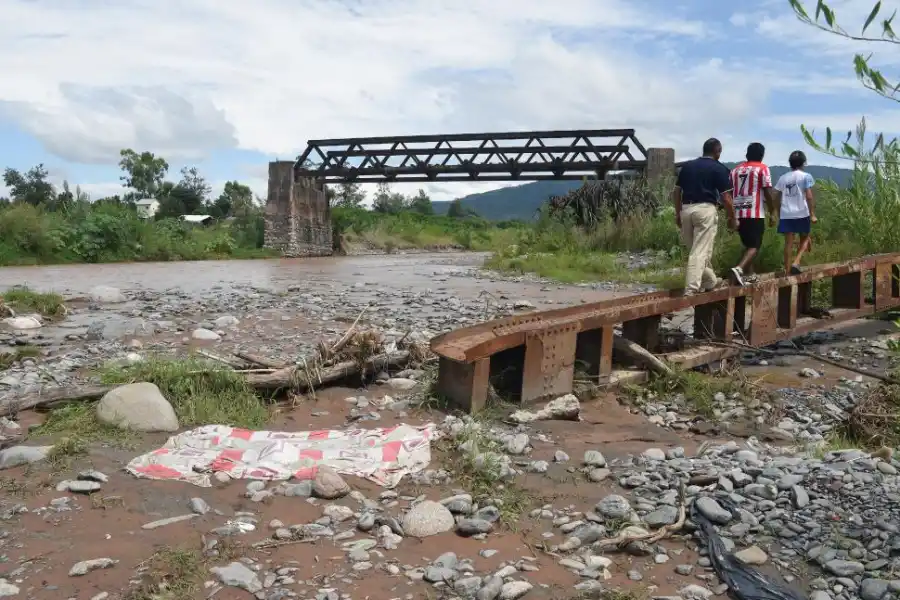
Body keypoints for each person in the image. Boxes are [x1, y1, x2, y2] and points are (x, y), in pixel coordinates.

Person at [673, 138, 735, 295]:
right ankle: (691, 289)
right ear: (717, 151)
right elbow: (727, 198)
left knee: (696, 250)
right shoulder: (719, 169)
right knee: (700, 252)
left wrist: (678, 212)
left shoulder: (687, 166)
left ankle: (710, 281)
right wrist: (732, 217)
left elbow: (677, 191)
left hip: (686, 209)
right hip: (705, 209)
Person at [729, 142, 776, 286]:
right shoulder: (762, 168)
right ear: (762, 156)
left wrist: (730, 215)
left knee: (747, 244)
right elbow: (767, 191)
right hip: (754, 212)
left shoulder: (735, 170)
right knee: (755, 245)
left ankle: (750, 275)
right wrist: (773, 211)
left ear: (747, 154)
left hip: (738, 211)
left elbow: (729, 192)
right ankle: (739, 269)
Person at [774, 150, 817, 274]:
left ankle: (787, 272)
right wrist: (812, 214)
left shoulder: (783, 178)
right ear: (803, 163)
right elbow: (809, 196)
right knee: (805, 237)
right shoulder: (806, 176)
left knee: (788, 243)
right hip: (802, 213)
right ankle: (796, 262)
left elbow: (775, 196)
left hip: (786, 214)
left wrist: (778, 211)